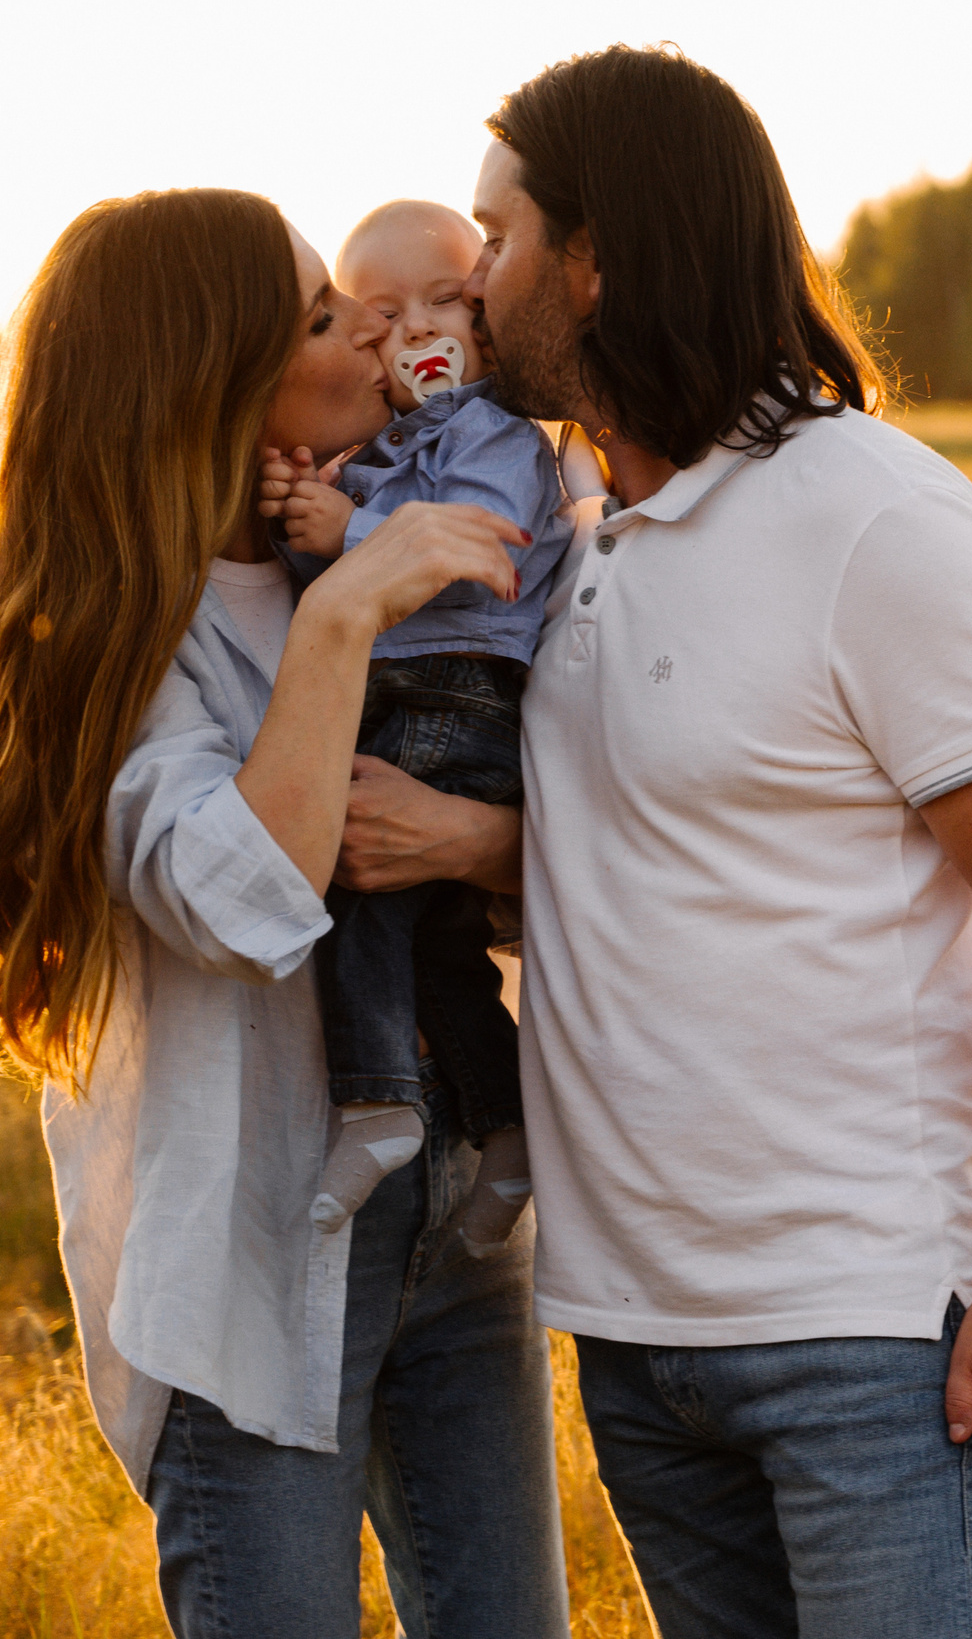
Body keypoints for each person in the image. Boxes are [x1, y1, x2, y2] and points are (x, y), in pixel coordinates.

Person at [337, 44, 972, 1637]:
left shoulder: (871, 515)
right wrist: (470, 842)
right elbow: (672, 845)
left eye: (500, 240)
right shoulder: (577, 537)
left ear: (603, 260)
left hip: (862, 1336)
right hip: (633, 1336)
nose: (468, 287)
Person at [0, 188, 571, 1638]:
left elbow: (513, 845)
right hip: (258, 1256)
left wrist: (481, 831)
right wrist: (342, 618)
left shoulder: (373, 526)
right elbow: (246, 901)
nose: (374, 328)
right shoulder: (137, 636)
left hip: (454, 1206)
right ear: (220, 379)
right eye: (322, 315)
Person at [261, 198, 574, 1252]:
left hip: (458, 689)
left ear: (482, 321)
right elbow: (345, 586)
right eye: (383, 314)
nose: (415, 330)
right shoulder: (389, 453)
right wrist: (304, 519)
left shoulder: (492, 432)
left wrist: (350, 527)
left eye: (445, 300)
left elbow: (469, 551)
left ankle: (377, 1099)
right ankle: (506, 1119)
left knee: (360, 883)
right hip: (409, 682)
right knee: (440, 943)